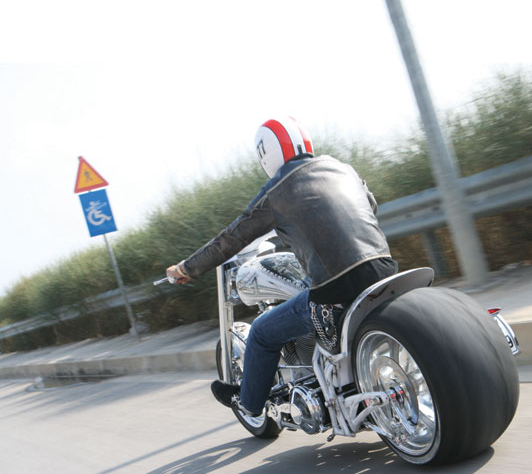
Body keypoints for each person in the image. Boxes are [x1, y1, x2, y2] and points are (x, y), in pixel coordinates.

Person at [166, 117, 397, 417]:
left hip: (337, 291)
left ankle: (249, 404)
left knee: (262, 332)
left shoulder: (276, 192)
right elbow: (370, 206)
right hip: (386, 272)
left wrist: (186, 268)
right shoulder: (342, 168)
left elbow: (229, 240)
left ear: (266, 155)